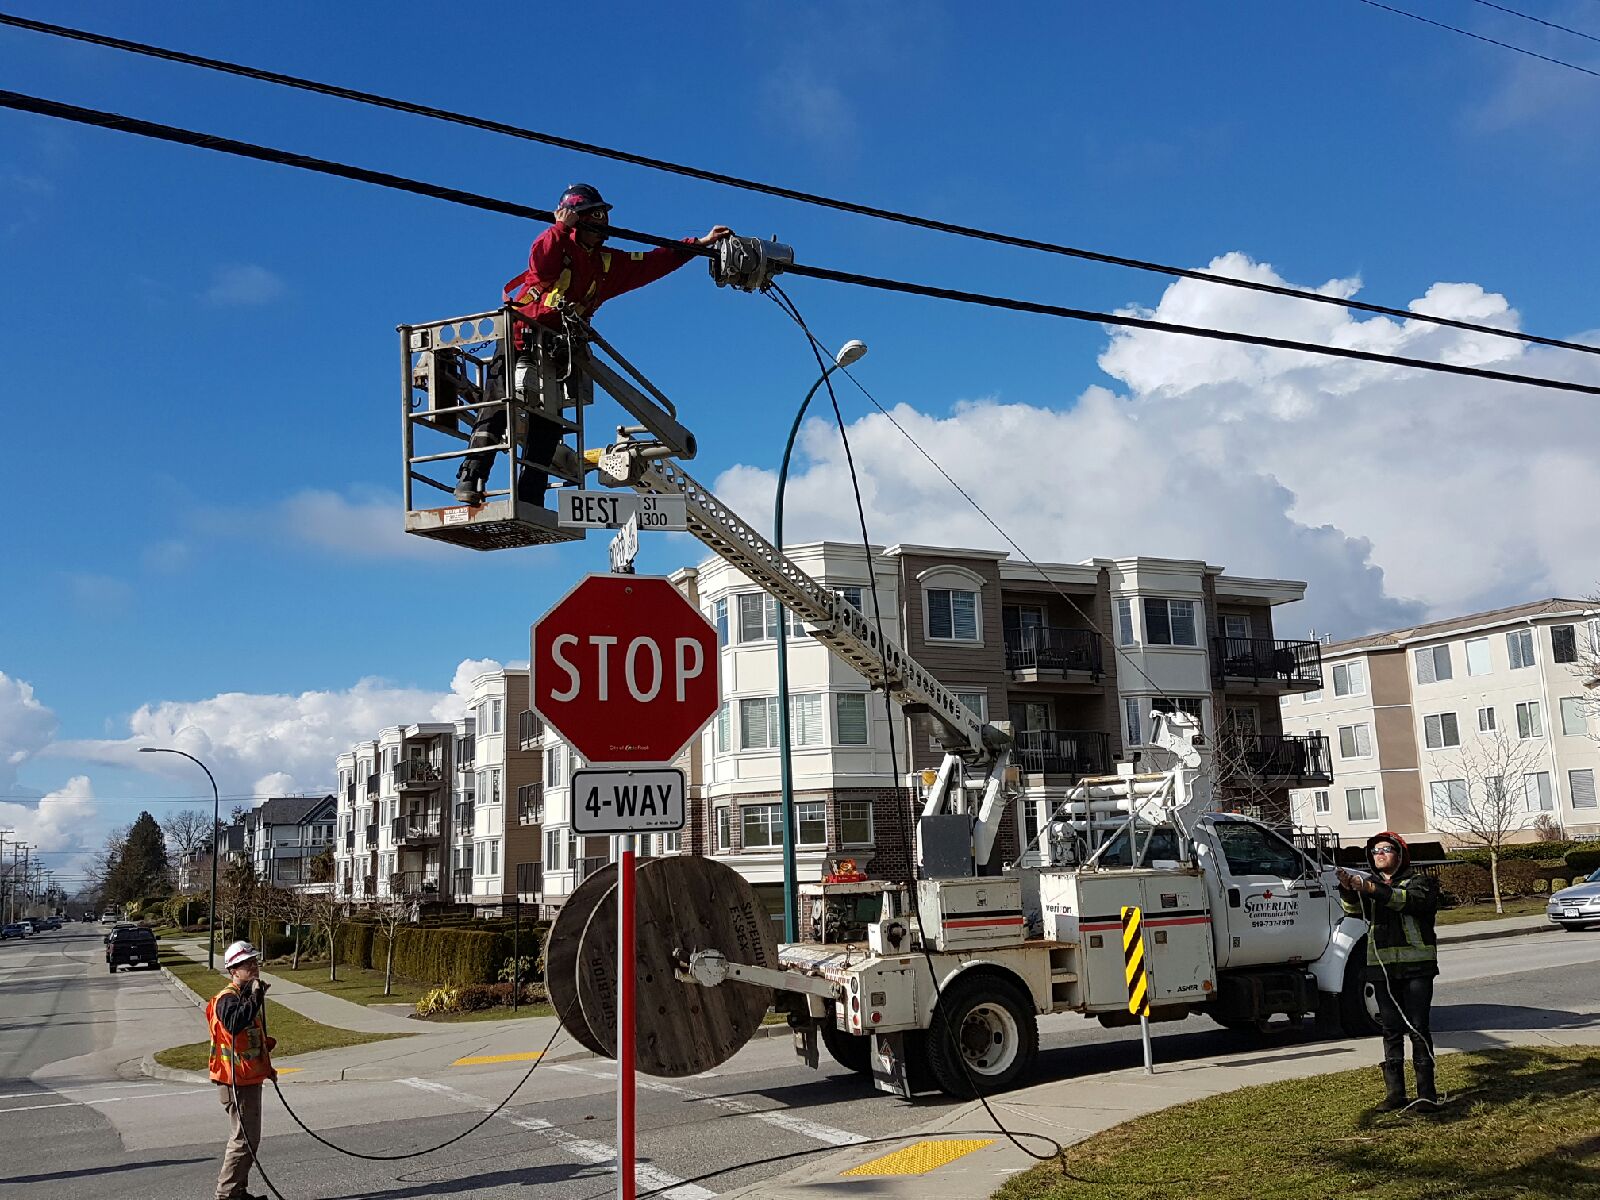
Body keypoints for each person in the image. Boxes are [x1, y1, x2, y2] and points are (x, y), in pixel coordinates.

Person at [454, 183, 733, 505]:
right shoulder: (556, 245)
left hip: (558, 351)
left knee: (549, 424)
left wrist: (698, 244)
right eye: (591, 220)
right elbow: (541, 263)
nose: (599, 228)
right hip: (521, 338)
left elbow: (653, 262)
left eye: (601, 221)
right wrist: (560, 228)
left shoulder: (606, 264)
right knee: (497, 408)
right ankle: (471, 478)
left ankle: (530, 496)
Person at [1336, 832, 1440, 1112]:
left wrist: (1370, 889)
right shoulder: (1371, 885)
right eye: (1374, 851)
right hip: (1381, 971)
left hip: (1417, 969)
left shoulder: (1421, 882)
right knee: (1391, 1031)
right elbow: (1353, 911)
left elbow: (1406, 901)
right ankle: (1395, 1094)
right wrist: (1347, 888)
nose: (1378, 854)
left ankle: (1426, 1094)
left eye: (1385, 849)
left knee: (1418, 1029)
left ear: (1400, 854)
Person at [208, 940, 277, 1200]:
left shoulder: (244, 998)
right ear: (233, 971)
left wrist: (266, 1067)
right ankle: (226, 1195)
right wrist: (257, 996)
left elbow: (250, 1038)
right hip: (235, 1082)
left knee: (247, 1140)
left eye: (255, 962)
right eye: (248, 964)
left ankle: (238, 1192)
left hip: (247, 1077)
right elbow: (235, 1023)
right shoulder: (227, 999)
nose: (254, 967)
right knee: (243, 1141)